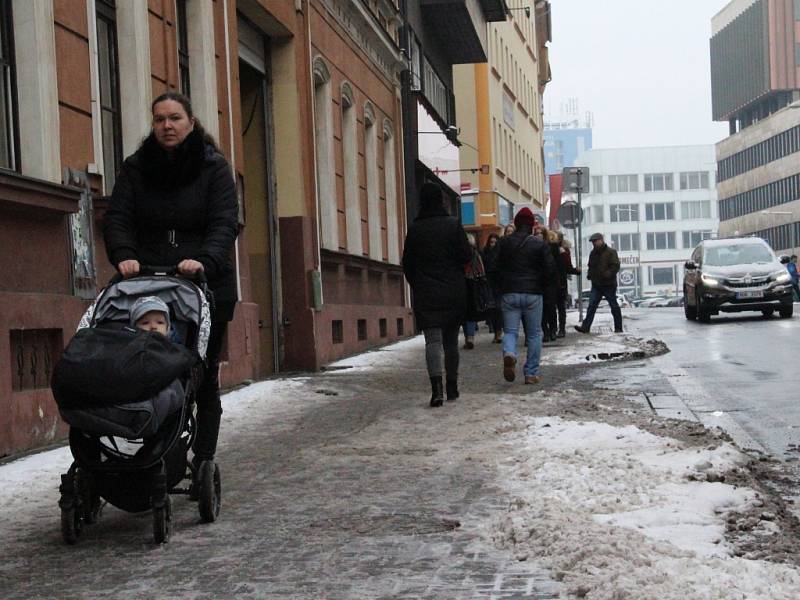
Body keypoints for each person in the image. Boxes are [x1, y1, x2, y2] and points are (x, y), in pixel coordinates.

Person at [103, 91, 238, 478]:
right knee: (145, 367)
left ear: (191, 123)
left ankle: (203, 454)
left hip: (204, 284)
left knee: (202, 373)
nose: (167, 126)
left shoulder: (214, 169)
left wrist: (205, 261)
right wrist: (124, 253)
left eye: (175, 118)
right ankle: (148, 444)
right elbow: (118, 219)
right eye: (160, 119)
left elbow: (224, 223)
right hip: (144, 279)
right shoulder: (136, 169)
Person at [402, 183, 472, 407]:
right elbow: (466, 256)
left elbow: (408, 264)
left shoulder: (415, 229)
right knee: (451, 341)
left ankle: (437, 390)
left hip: (427, 293)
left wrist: (419, 284)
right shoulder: (453, 226)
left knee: (432, 342)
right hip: (453, 291)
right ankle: (452, 386)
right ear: (442, 201)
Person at [497, 207, 556, 385]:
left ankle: (509, 353)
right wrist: (542, 286)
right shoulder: (539, 244)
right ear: (531, 225)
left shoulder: (504, 242)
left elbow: (494, 266)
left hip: (509, 292)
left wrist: (501, 286)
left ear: (515, 224)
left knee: (511, 331)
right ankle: (531, 373)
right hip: (533, 294)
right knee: (534, 334)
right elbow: (550, 269)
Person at [574, 232, 623, 334]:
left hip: (608, 284)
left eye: (595, 241)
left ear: (601, 240)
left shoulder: (611, 252)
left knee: (613, 306)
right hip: (596, 284)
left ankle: (618, 327)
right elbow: (590, 265)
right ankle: (585, 327)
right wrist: (590, 275)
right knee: (591, 306)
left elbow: (615, 266)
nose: (594, 244)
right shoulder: (593, 253)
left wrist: (608, 274)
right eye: (593, 242)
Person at [555, 232, 581, 337]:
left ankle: (561, 329)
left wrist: (575, 270)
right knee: (553, 307)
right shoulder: (546, 248)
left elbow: (567, 267)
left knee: (560, 307)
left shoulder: (564, 251)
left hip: (560, 282)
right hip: (551, 281)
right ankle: (554, 329)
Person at [481, 233, 503, 343]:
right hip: (489, 283)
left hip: (499, 283)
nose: (493, 244)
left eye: (495, 242)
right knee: (492, 308)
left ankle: (498, 332)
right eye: (491, 242)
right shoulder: (485, 253)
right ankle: (496, 331)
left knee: (498, 308)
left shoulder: (500, 253)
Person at [462, 233, 483, 350]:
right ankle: (470, 337)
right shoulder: (475, 254)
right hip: (473, 283)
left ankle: (467, 338)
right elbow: (481, 270)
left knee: (463, 312)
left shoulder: (458, 253)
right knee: (471, 311)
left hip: (461, 283)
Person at [540, 227, 560, 343]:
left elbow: (558, 265)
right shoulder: (533, 248)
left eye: (540, 234)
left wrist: (559, 281)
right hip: (538, 282)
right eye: (536, 234)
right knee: (541, 309)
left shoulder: (553, 247)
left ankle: (553, 330)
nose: (538, 236)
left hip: (551, 282)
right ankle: (545, 332)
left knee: (551, 307)